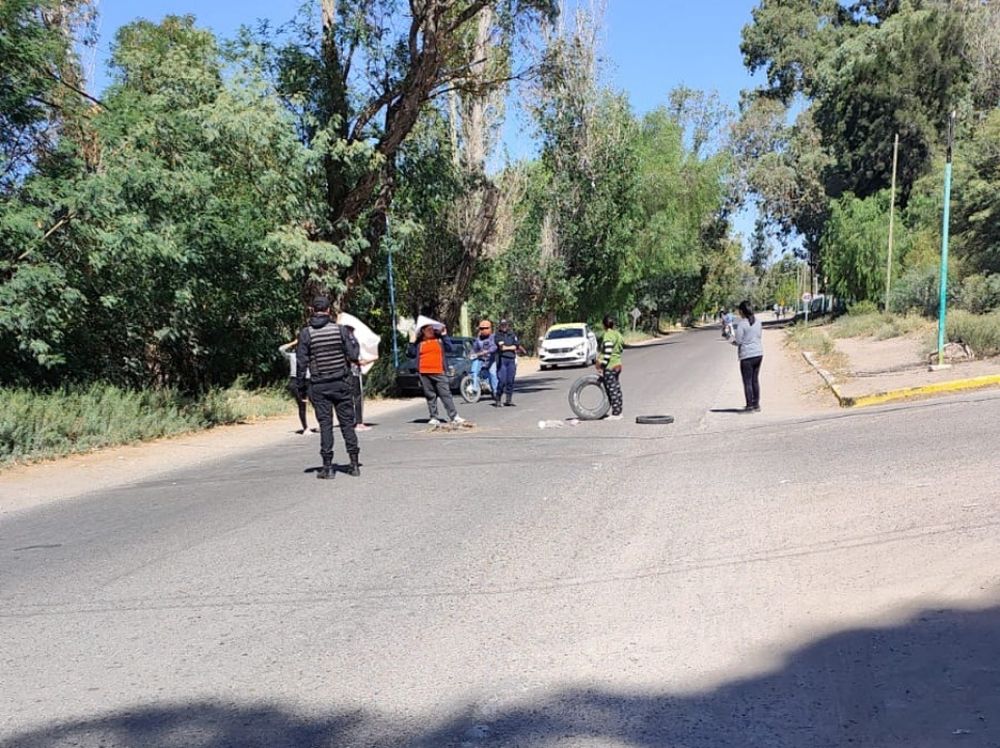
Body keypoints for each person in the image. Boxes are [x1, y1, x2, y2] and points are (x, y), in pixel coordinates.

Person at [296, 295, 361, 479]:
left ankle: (328, 467)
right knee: (347, 423)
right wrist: (353, 340)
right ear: (329, 311)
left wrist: (301, 388)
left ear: (312, 310)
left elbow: (301, 363)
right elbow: (354, 354)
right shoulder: (340, 330)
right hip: (341, 383)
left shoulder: (306, 333)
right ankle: (354, 464)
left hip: (319, 385)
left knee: (325, 425)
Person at [410, 318, 465, 426]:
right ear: (423, 331)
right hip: (424, 372)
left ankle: (454, 416)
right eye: (428, 329)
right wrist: (411, 342)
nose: (431, 331)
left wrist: (444, 335)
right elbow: (411, 354)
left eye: (432, 329)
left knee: (446, 395)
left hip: (439, 371)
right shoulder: (419, 342)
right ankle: (434, 417)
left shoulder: (439, 339)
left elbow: (450, 348)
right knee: (430, 395)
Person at [732, 299, 764, 413]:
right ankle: (756, 404)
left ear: (742, 311)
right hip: (758, 353)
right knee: (755, 380)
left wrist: (733, 341)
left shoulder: (742, 324)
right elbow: (759, 336)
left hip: (747, 356)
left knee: (747, 381)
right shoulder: (758, 322)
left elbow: (739, 340)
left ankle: (749, 405)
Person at [279, 340, 316, 434]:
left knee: (315, 402)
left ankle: (322, 424)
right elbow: (281, 349)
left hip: (308, 380)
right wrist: (294, 342)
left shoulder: (309, 356)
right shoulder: (292, 356)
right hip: (296, 380)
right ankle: (305, 428)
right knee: (301, 405)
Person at [597, 315, 625, 420]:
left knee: (612, 390)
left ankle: (616, 414)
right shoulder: (618, 334)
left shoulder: (608, 335)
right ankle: (619, 411)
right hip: (618, 364)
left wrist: (603, 365)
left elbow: (608, 352)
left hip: (610, 366)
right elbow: (621, 348)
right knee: (617, 389)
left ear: (604, 325)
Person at [493, 319, 522, 407]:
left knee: (510, 380)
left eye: (505, 325)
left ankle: (508, 400)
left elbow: (516, 346)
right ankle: (498, 398)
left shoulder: (512, 334)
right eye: (502, 325)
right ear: (500, 326)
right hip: (502, 360)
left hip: (511, 360)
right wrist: (510, 347)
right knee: (502, 381)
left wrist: (507, 347)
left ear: (508, 325)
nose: (504, 327)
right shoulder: (498, 335)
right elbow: (501, 347)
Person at [471, 319, 498, 396]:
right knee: (474, 371)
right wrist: (471, 354)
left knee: (493, 373)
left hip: (490, 359)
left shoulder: (493, 337)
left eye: (486, 328)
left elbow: (494, 347)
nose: (484, 330)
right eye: (482, 328)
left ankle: (496, 392)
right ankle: (475, 387)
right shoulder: (478, 339)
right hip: (480, 359)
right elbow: (474, 348)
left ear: (490, 328)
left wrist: (487, 351)